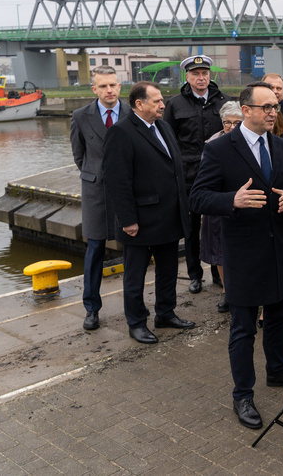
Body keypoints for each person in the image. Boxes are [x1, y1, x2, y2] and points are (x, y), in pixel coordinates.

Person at [190, 82, 283, 430]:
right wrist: (232, 201)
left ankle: (278, 370)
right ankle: (243, 394)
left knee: (278, 314)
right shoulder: (221, 149)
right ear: (246, 111)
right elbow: (197, 198)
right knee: (243, 328)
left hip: (279, 248)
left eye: (276, 106)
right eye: (267, 107)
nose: (274, 113)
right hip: (242, 252)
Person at [103, 81, 196, 344]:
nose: (163, 105)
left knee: (167, 270)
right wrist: (128, 219)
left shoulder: (164, 127)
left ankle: (165, 313)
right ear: (139, 104)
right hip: (141, 220)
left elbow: (173, 170)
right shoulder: (121, 132)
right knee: (135, 276)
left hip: (169, 216)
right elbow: (116, 181)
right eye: (156, 101)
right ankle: (136, 323)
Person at [70, 65, 131, 331]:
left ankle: (134, 306)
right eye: (103, 86)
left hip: (127, 191)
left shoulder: (132, 113)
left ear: (120, 86)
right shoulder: (81, 116)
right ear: (94, 89)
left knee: (132, 249)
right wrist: (95, 173)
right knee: (94, 250)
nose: (109, 90)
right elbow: (79, 155)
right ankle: (92, 308)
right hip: (95, 192)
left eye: (113, 85)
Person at [162, 55, 229, 295]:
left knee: (218, 227)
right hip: (189, 175)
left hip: (219, 175)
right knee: (191, 228)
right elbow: (168, 141)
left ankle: (217, 272)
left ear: (210, 75)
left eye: (204, 73)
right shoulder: (175, 104)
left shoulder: (224, 102)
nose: (201, 78)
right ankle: (194, 275)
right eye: (195, 74)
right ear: (187, 77)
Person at [199, 101, 244, 314]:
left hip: (243, 205)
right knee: (219, 253)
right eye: (228, 123)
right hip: (219, 204)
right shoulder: (212, 143)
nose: (232, 127)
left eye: (237, 123)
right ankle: (226, 291)